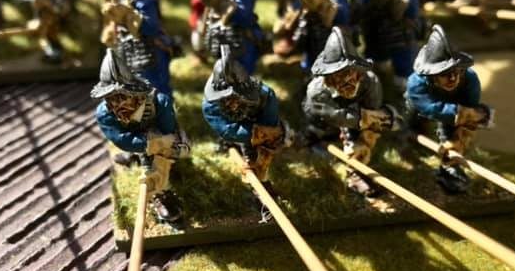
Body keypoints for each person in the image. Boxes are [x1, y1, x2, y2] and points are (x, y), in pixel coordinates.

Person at [93, 49, 188, 225]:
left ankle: (161, 192)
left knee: (166, 159)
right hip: (137, 141)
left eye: (122, 97)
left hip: (158, 137)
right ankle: (145, 171)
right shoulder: (105, 114)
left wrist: (162, 144)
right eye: (112, 98)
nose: (118, 104)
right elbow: (121, 138)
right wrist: (144, 144)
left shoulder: (159, 102)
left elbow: (167, 130)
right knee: (142, 156)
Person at [303, 28, 400, 197]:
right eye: (339, 75)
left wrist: (364, 139)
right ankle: (315, 138)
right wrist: (363, 118)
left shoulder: (370, 82)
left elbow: (372, 115)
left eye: (350, 72)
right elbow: (334, 115)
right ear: (328, 78)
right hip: (327, 117)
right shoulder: (316, 91)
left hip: (356, 116)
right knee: (318, 128)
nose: (347, 80)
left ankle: (356, 170)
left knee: (363, 139)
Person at [202, 45, 287, 222]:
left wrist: (266, 137)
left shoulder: (265, 96)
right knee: (234, 140)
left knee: (271, 146)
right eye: (227, 100)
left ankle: (263, 183)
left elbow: (268, 127)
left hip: (257, 127)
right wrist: (250, 135)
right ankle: (241, 152)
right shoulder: (210, 105)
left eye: (237, 99)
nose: (233, 104)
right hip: (236, 131)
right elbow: (227, 129)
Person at [406, 25, 493, 194]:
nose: (453, 78)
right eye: (444, 73)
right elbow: (428, 107)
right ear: (431, 74)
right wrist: (456, 112)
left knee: (455, 132)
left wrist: (467, 118)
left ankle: (449, 166)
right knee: (412, 120)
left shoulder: (470, 79)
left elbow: (469, 108)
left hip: (455, 106)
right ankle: (410, 136)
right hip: (422, 106)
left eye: (456, 71)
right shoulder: (416, 84)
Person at [101, 0, 176, 95]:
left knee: (156, 90)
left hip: (148, 52)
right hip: (124, 51)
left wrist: (128, 14)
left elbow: (151, 28)